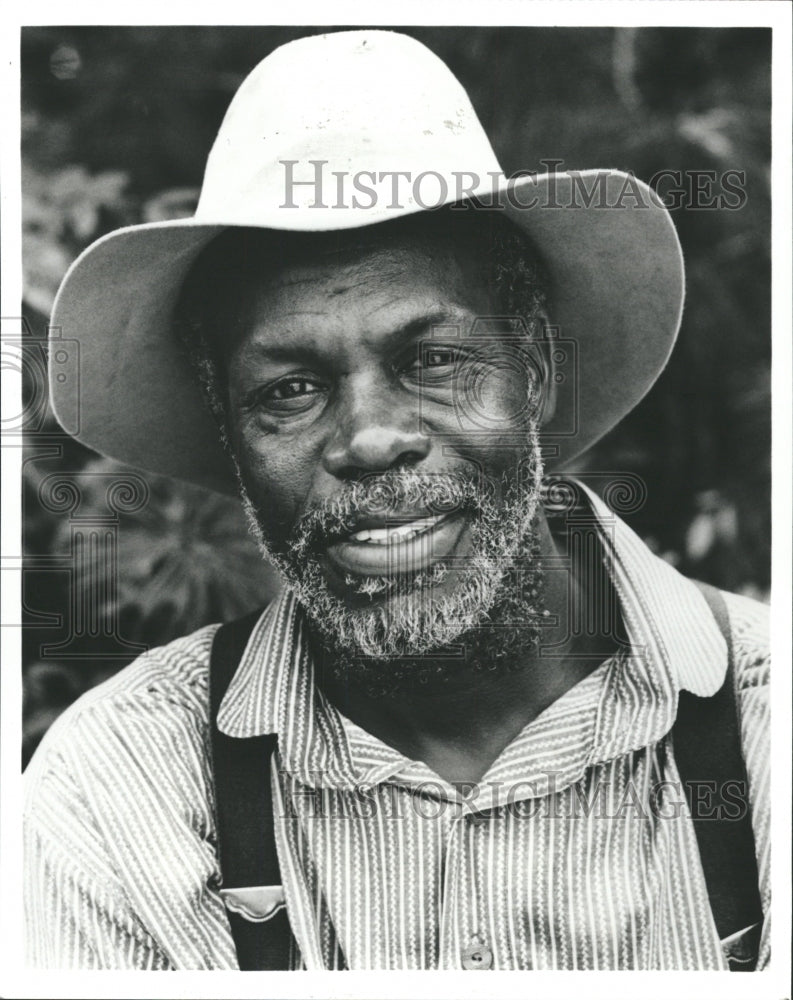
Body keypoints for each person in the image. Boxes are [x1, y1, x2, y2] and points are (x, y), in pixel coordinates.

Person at [24, 29, 769, 971]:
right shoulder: (120, 796)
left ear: (533, 370)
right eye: (289, 389)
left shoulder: (761, 729)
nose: (368, 440)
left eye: (432, 360)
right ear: (228, 429)